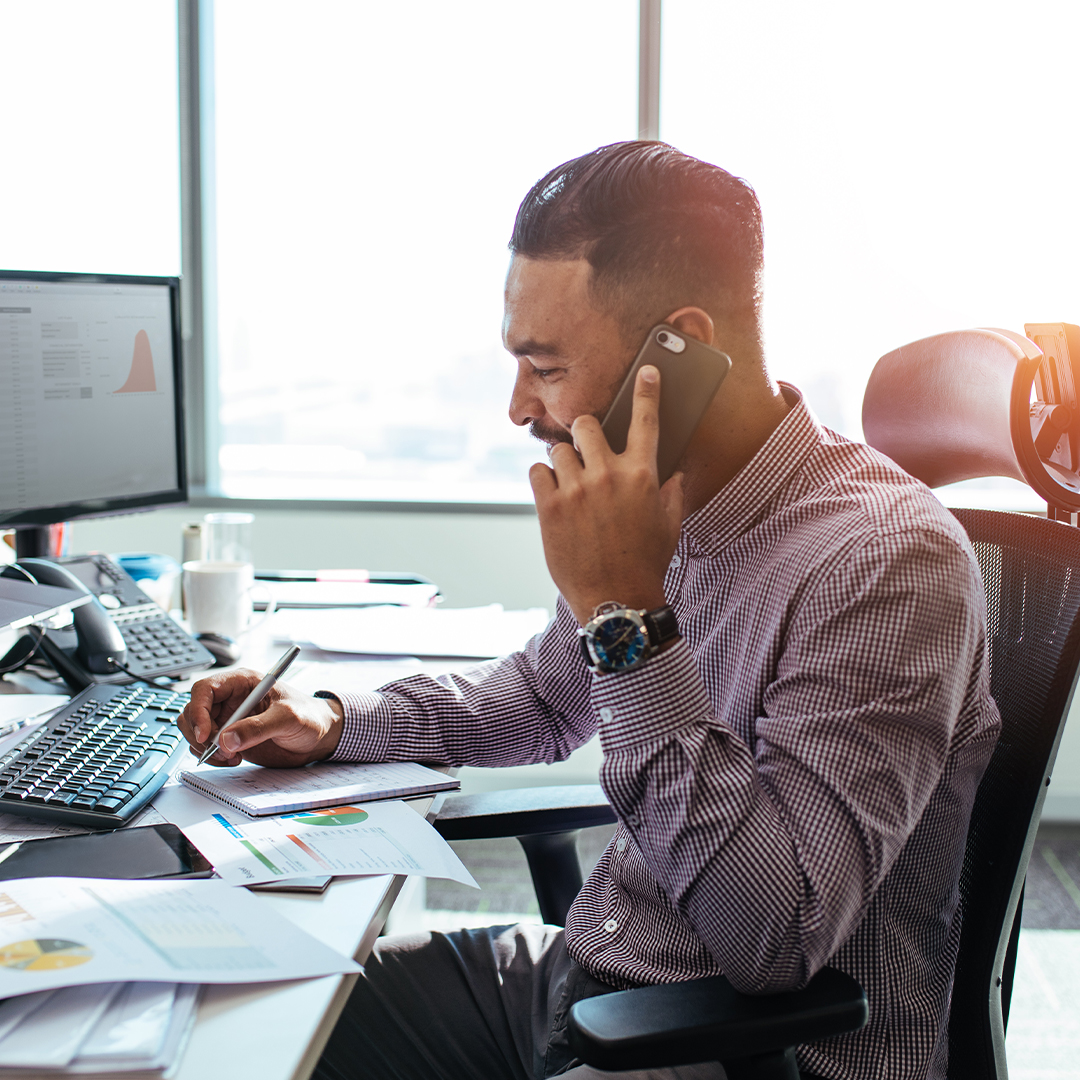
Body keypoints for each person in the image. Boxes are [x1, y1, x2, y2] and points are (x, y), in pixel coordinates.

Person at [179, 141, 1000, 1080]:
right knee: (244, 1017)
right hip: (592, 981)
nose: (518, 407)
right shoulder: (664, 503)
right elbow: (537, 699)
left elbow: (774, 939)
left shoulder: (885, 563)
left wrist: (626, 613)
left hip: (739, 1051)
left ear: (678, 350)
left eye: (546, 365)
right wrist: (328, 721)